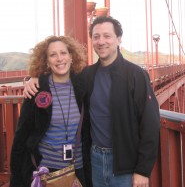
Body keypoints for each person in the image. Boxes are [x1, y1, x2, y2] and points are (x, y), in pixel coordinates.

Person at [23, 16, 161, 187]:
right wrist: (32, 78)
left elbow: (151, 125)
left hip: (125, 165)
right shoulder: (86, 75)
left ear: (118, 40)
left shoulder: (135, 75)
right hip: (93, 160)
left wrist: (143, 170)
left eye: (107, 36)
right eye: (96, 37)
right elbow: (59, 74)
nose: (101, 41)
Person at [10, 35, 91, 187]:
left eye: (63, 53)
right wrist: (16, 179)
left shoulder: (82, 85)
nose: (59, 58)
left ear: (71, 56)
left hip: (77, 170)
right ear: (47, 61)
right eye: (53, 55)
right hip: (46, 171)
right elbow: (21, 135)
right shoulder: (37, 89)